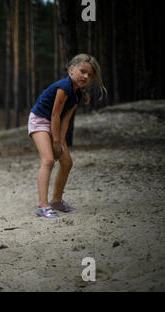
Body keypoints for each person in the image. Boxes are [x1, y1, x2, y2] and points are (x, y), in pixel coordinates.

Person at [28, 53, 107, 218]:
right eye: (82, 71)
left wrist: (60, 141)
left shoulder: (77, 95)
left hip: (54, 123)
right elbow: (55, 115)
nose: (85, 76)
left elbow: (65, 121)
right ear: (71, 69)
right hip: (40, 120)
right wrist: (55, 142)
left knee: (67, 162)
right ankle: (42, 206)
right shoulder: (64, 87)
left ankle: (56, 200)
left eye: (90, 75)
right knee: (48, 160)